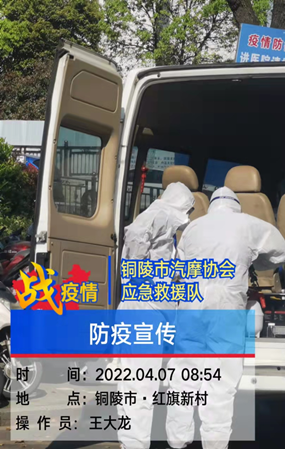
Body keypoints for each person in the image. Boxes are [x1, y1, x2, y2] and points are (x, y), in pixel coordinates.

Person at [166, 186, 285, 449]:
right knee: (220, 383)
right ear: (236, 206)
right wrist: (253, 261)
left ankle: (177, 439)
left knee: (184, 375)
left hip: (191, 307)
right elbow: (282, 253)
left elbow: (178, 269)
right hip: (226, 308)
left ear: (211, 205)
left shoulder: (193, 228)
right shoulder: (249, 225)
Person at [117, 181, 195, 449]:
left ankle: (139, 442)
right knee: (139, 385)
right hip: (144, 312)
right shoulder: (159, 215)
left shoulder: (165, 225)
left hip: (152, 311)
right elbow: (136, 235)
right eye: (189, 211)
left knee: (137, 383)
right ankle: (135, 444)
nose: (188, 217)